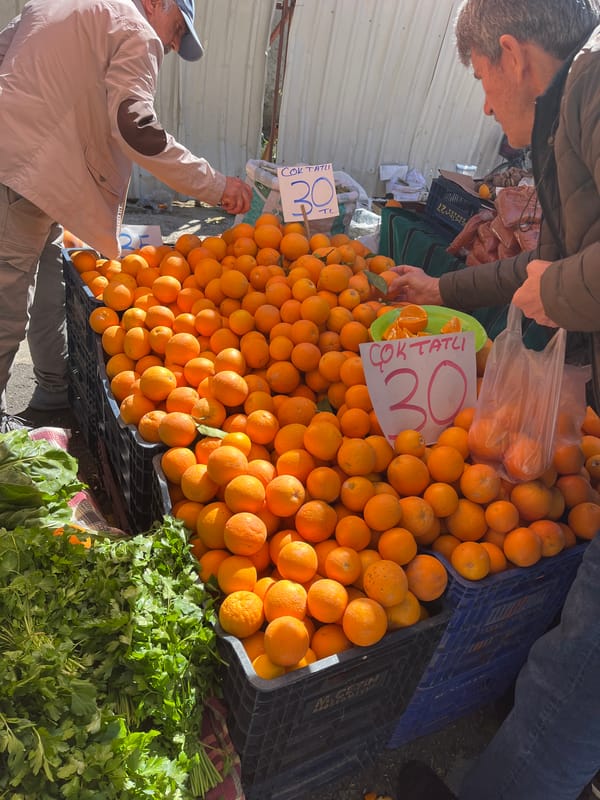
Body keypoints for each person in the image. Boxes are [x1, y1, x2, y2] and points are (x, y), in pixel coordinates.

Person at [389, 1, 600, 798]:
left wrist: (563, 290)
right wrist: (444, 285)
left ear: (511, 54)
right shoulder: (571, 107)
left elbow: (562, 276)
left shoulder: (594, 82)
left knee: (578, 668)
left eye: (479, 76)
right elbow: (552, 262)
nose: (480, 100)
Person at [0, 0, 252, 423]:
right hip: (20, 177)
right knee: (6, 307)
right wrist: (215, 185)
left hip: (39, 180)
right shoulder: (135, 29)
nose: (172, 44)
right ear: (155, 3)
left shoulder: (53, 6)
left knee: (47, 285)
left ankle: (53, 391)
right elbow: (136, 129)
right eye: (177, 29)